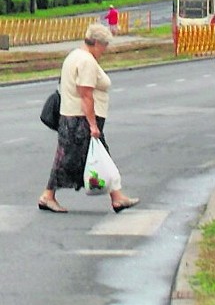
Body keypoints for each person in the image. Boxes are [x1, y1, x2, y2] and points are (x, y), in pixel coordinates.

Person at [37, 23, 139, 214]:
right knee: (68, 160)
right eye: (105, 45)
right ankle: (48, 195)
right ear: (97, 43)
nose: (105, 50)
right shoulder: (87, 62)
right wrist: (92, 124)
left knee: (91, 156)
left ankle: (117, 197)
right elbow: (86, 95)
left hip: (71, 118)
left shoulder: (74, 56)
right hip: (81, 120)